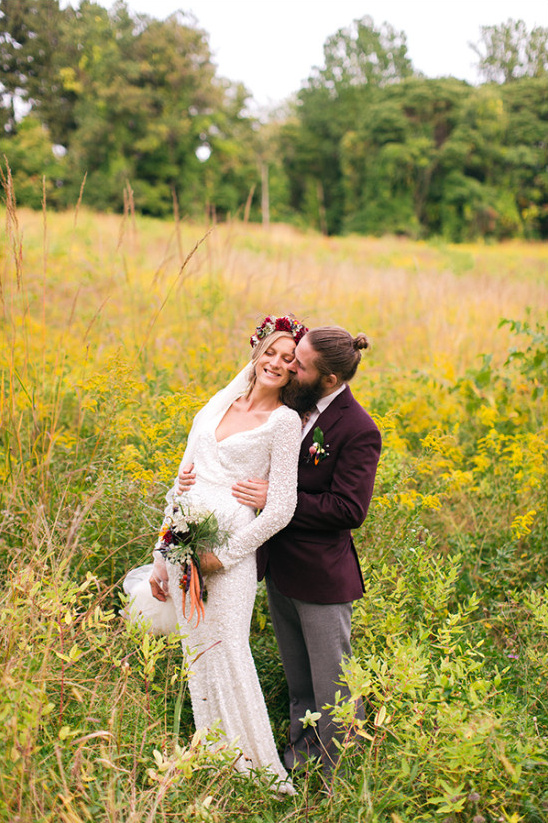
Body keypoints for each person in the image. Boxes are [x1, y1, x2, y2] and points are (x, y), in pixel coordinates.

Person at [148, 315, 307, 794]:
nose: (277, 363)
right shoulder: (219, 403)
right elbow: (182, 477)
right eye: (271, 353)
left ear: (296, 370)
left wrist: (226, 557)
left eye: (288, 359)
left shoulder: (284, 422)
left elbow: (281, 508)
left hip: (227, 557)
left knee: (229, 650)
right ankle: (214, 753)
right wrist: (161, 553)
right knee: (197, 654)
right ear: (256, 352)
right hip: (182, 546)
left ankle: (257, 770)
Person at [232, 326, 382, 778]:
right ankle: (300, 762)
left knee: (332, 687)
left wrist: (277, 499)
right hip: (280, 569)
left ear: (330, 380)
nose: (290, 367)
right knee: (299, 682)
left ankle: (337, 778)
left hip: (321, 580)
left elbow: (348, 508)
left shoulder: (359, 429)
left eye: (300, 364)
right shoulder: (291, 405)